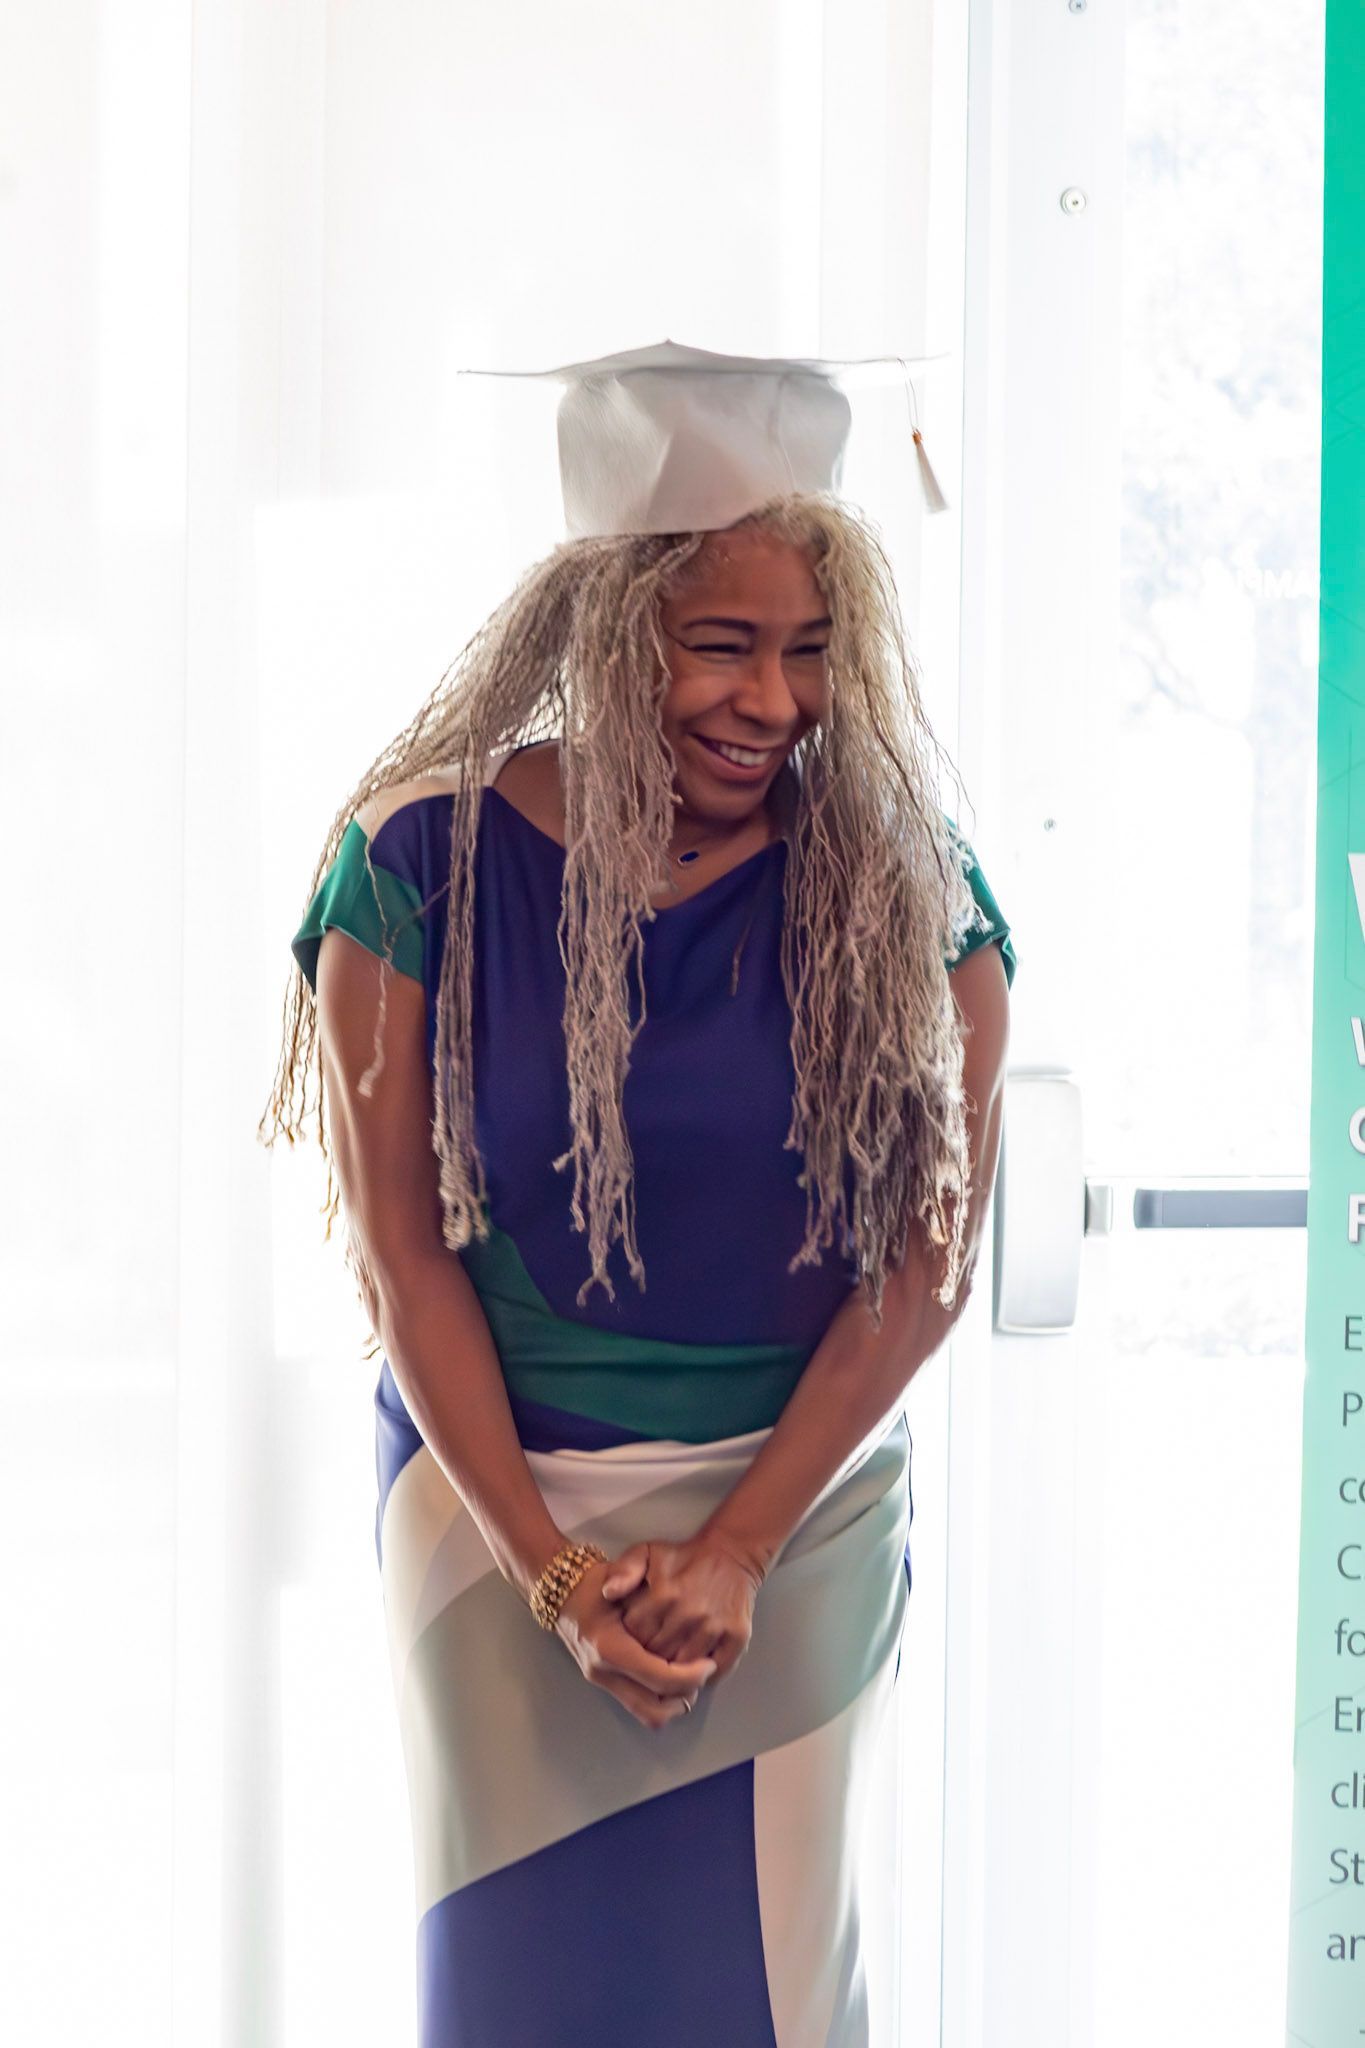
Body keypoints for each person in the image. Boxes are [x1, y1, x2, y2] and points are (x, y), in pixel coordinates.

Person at [259, 339, 1015, 2046]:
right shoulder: (418, 860)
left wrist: (743, 1546)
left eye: (811, 653)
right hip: (489, 1506)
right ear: (608, 628)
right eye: (723, 647)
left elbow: (926, 1259)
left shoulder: (908, 893)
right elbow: (398, 1253)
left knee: (765, 1985)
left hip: (796, 1516)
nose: (773, 700)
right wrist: (546, 1575)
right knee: (513, 1984)